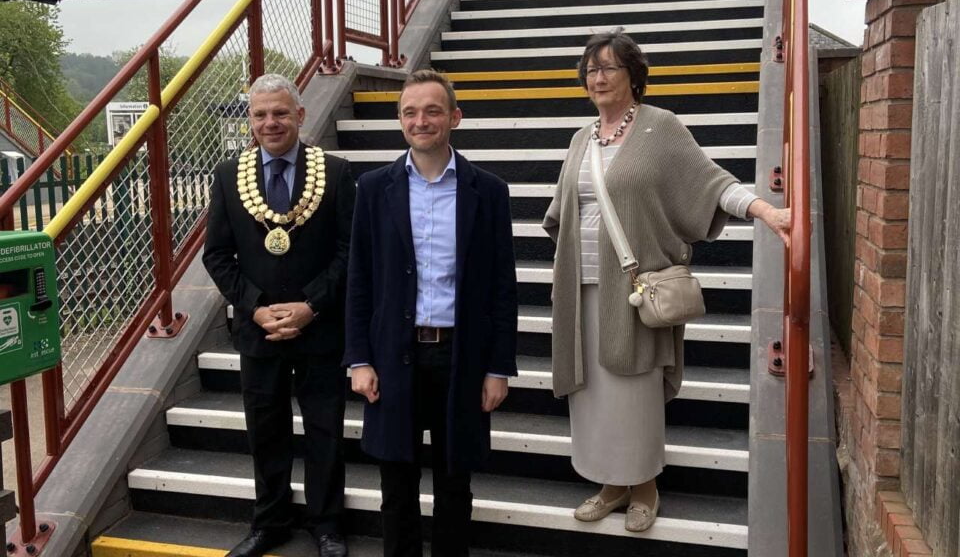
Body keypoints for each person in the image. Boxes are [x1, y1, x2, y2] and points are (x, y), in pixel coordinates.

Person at [542, 30, 790, 532]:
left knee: (631, 390)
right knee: (591, 392)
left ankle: (644, 487)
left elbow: (712, 182)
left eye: (610, 67)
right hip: (580, 287)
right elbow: (562, 212)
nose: (599, 77)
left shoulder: (661, 127)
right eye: (591, 69)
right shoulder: (580, 138)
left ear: (634, 75)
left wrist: (765, 211)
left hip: (632, 289)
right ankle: (611, 484)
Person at [345, 69, 518, 557]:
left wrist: (498, 367)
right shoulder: (374, 189)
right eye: (410, 112)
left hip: (459, 359)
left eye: (433, 110)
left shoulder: (488, 191)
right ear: (400, 121)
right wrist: (359, 359)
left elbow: (503, 287)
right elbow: (360, 281)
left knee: (454, 488)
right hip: (392, 359)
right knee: (395, 488)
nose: (421, 121)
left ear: (455, 117)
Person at [203, 74, 355, 557]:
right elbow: (218, 255)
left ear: (300, 116)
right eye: (260, 114)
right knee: (265, 429)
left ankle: (327, 522)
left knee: (324, 428)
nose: (271, 123)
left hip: (320, 326)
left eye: (280, 113)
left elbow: (349, 251)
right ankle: (270, 521)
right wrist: (255, 307)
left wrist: (311, 305)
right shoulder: (230, 175)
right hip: (259, 330)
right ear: (250, 119)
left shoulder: (335, 171)